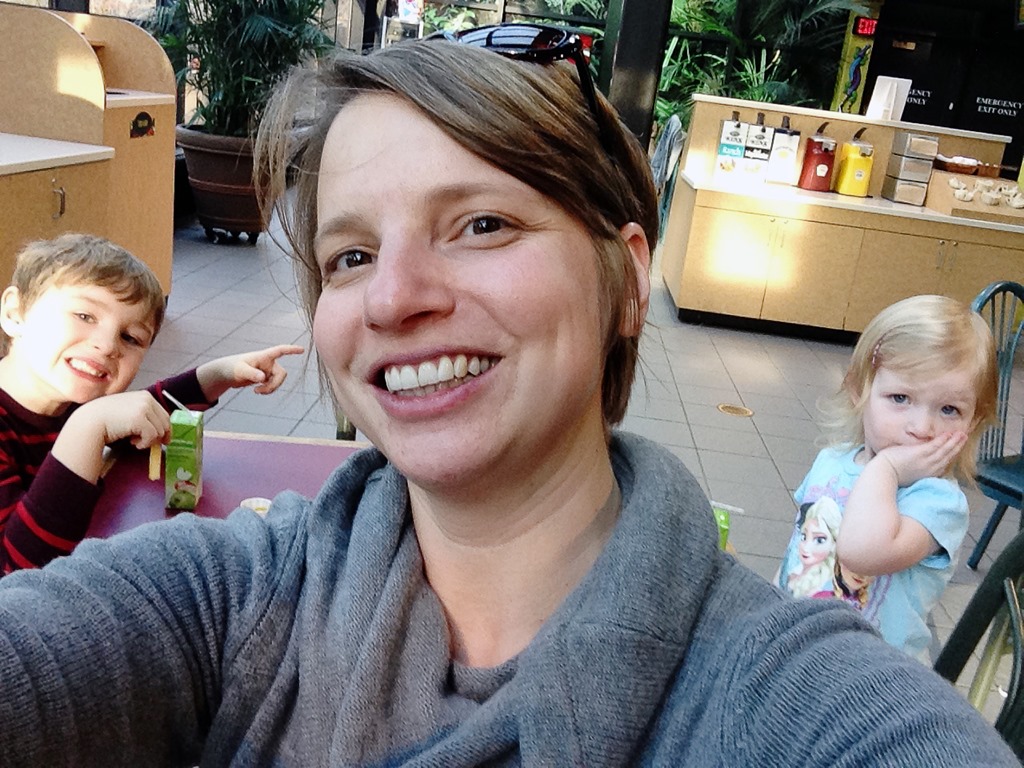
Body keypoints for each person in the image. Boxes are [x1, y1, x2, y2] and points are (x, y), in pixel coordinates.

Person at [0, 27, 1017, 766]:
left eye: (481, 224)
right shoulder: (230, 598)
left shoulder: (789, 700)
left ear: (626, 279)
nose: (393, 297)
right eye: (350, 255)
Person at [0, 233, 303, 573]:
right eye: (85, 316)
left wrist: (221, 374)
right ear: (15, 313)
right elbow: (17, 572)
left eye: (130, 338)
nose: (107, 345)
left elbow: (143, 415)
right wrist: (87, 427)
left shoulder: (68, 397)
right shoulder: (77, 411)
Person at [776, 294, 998, 661]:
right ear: (858, 390)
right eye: (900, 398)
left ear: (972, 422)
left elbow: (861, 554)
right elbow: (795, 555)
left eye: (949, 409)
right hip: (798, 652)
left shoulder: (938, 503)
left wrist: (887, 468)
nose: (922, 428)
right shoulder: (831, 462)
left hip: (871, 677)